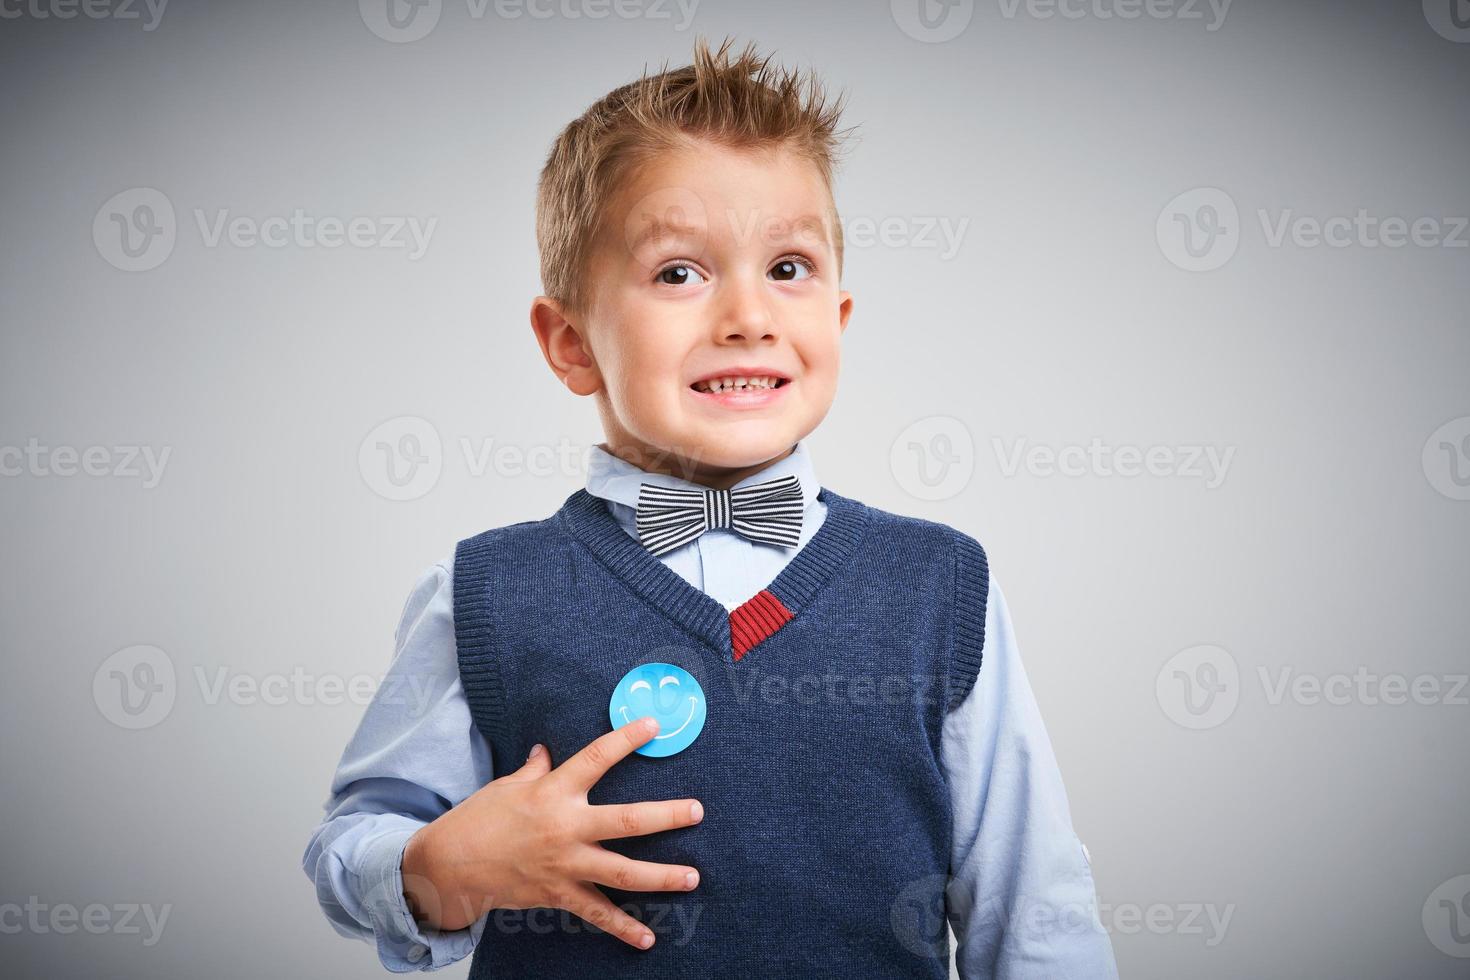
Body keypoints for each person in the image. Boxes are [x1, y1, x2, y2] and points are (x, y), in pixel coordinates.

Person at [302, 35, 1118, 978]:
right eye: (679, 273)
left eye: (788, 268)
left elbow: (1033, 904)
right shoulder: (487, 592)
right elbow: (353, 842)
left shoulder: (940, 586)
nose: (747, 316)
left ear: (837, 320)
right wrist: (437, 863)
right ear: (570, 344)